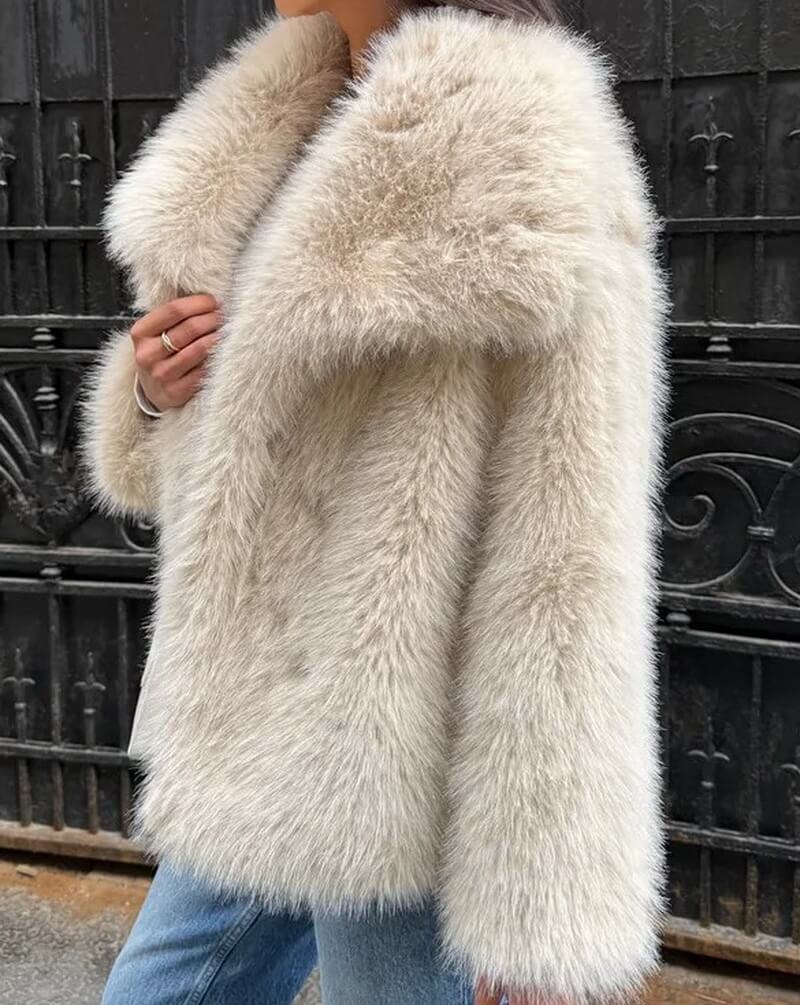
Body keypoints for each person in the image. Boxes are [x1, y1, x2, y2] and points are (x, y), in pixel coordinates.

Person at [83, 0, 669, 1002]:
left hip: (395, 755)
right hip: (242, 722)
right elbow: (189, 473)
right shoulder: (273, 119)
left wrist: (533, 892)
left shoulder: (524, 138)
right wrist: (150, 392)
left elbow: (566, 552)